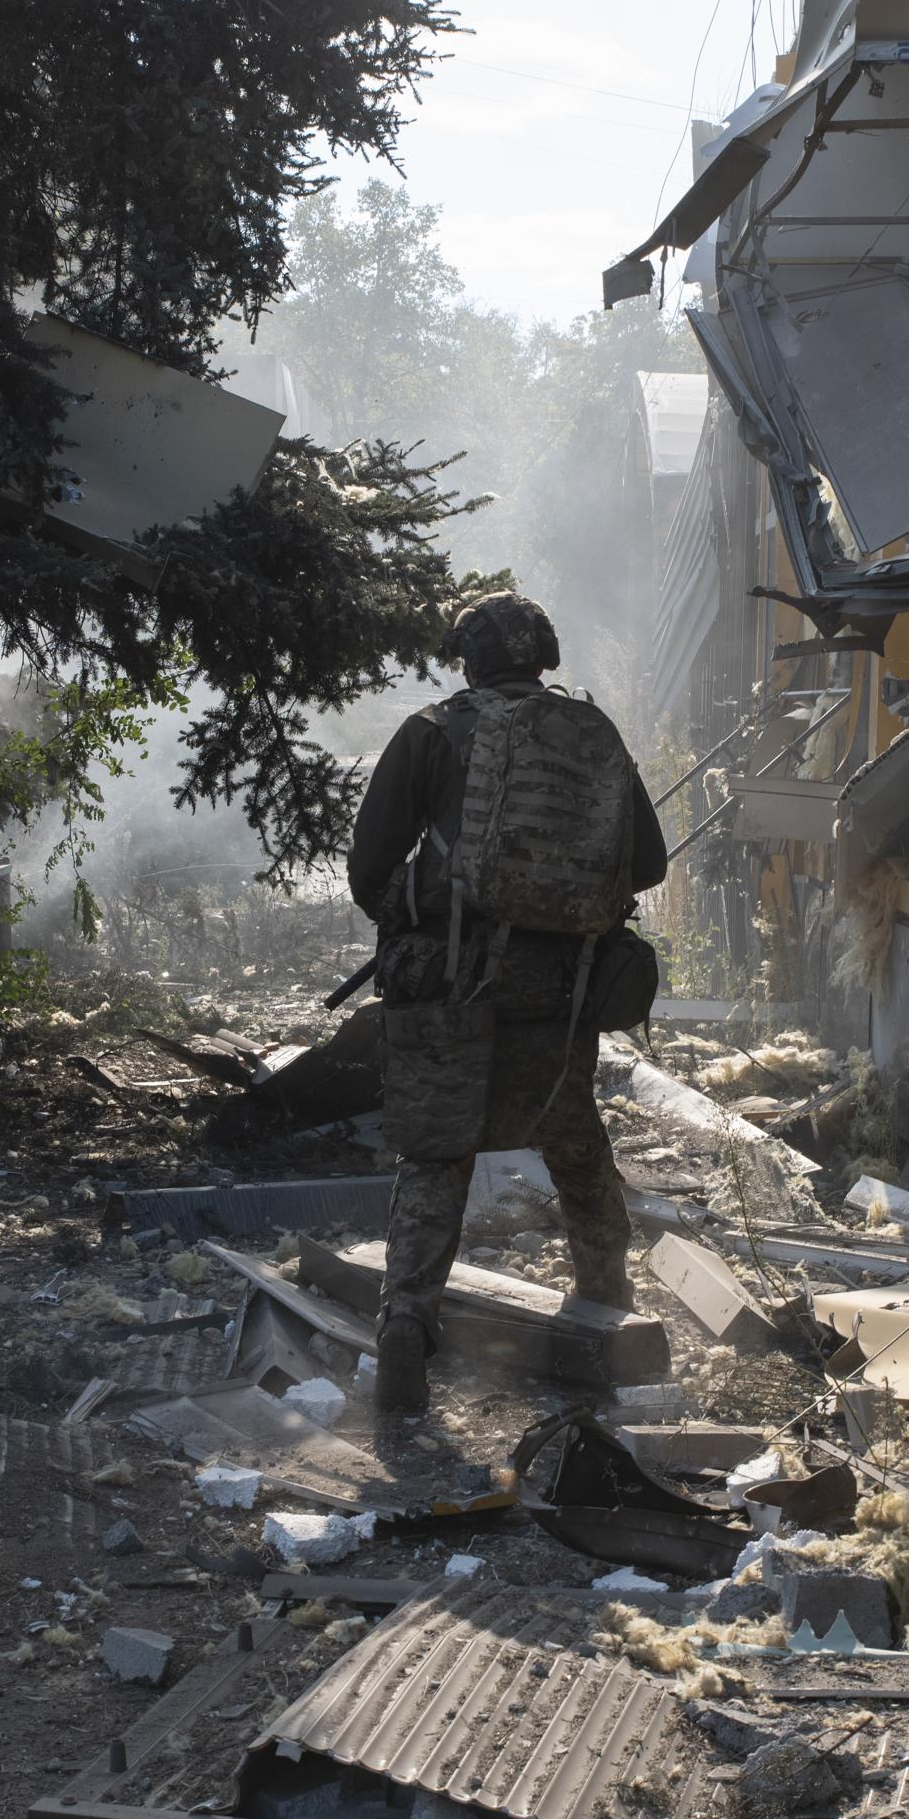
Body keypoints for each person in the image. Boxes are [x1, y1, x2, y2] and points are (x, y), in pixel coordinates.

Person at [346, 591, 668, 1418]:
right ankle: (608, 1303)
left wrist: (420, 919)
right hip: (558, 992)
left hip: (448, 984)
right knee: (575, 1145)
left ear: (468, 656)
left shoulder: (432, 731)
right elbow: (650, 862)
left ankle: (406, 1333)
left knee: (436, 1158)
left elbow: (368, 867)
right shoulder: (592, 735)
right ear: (543, 656)